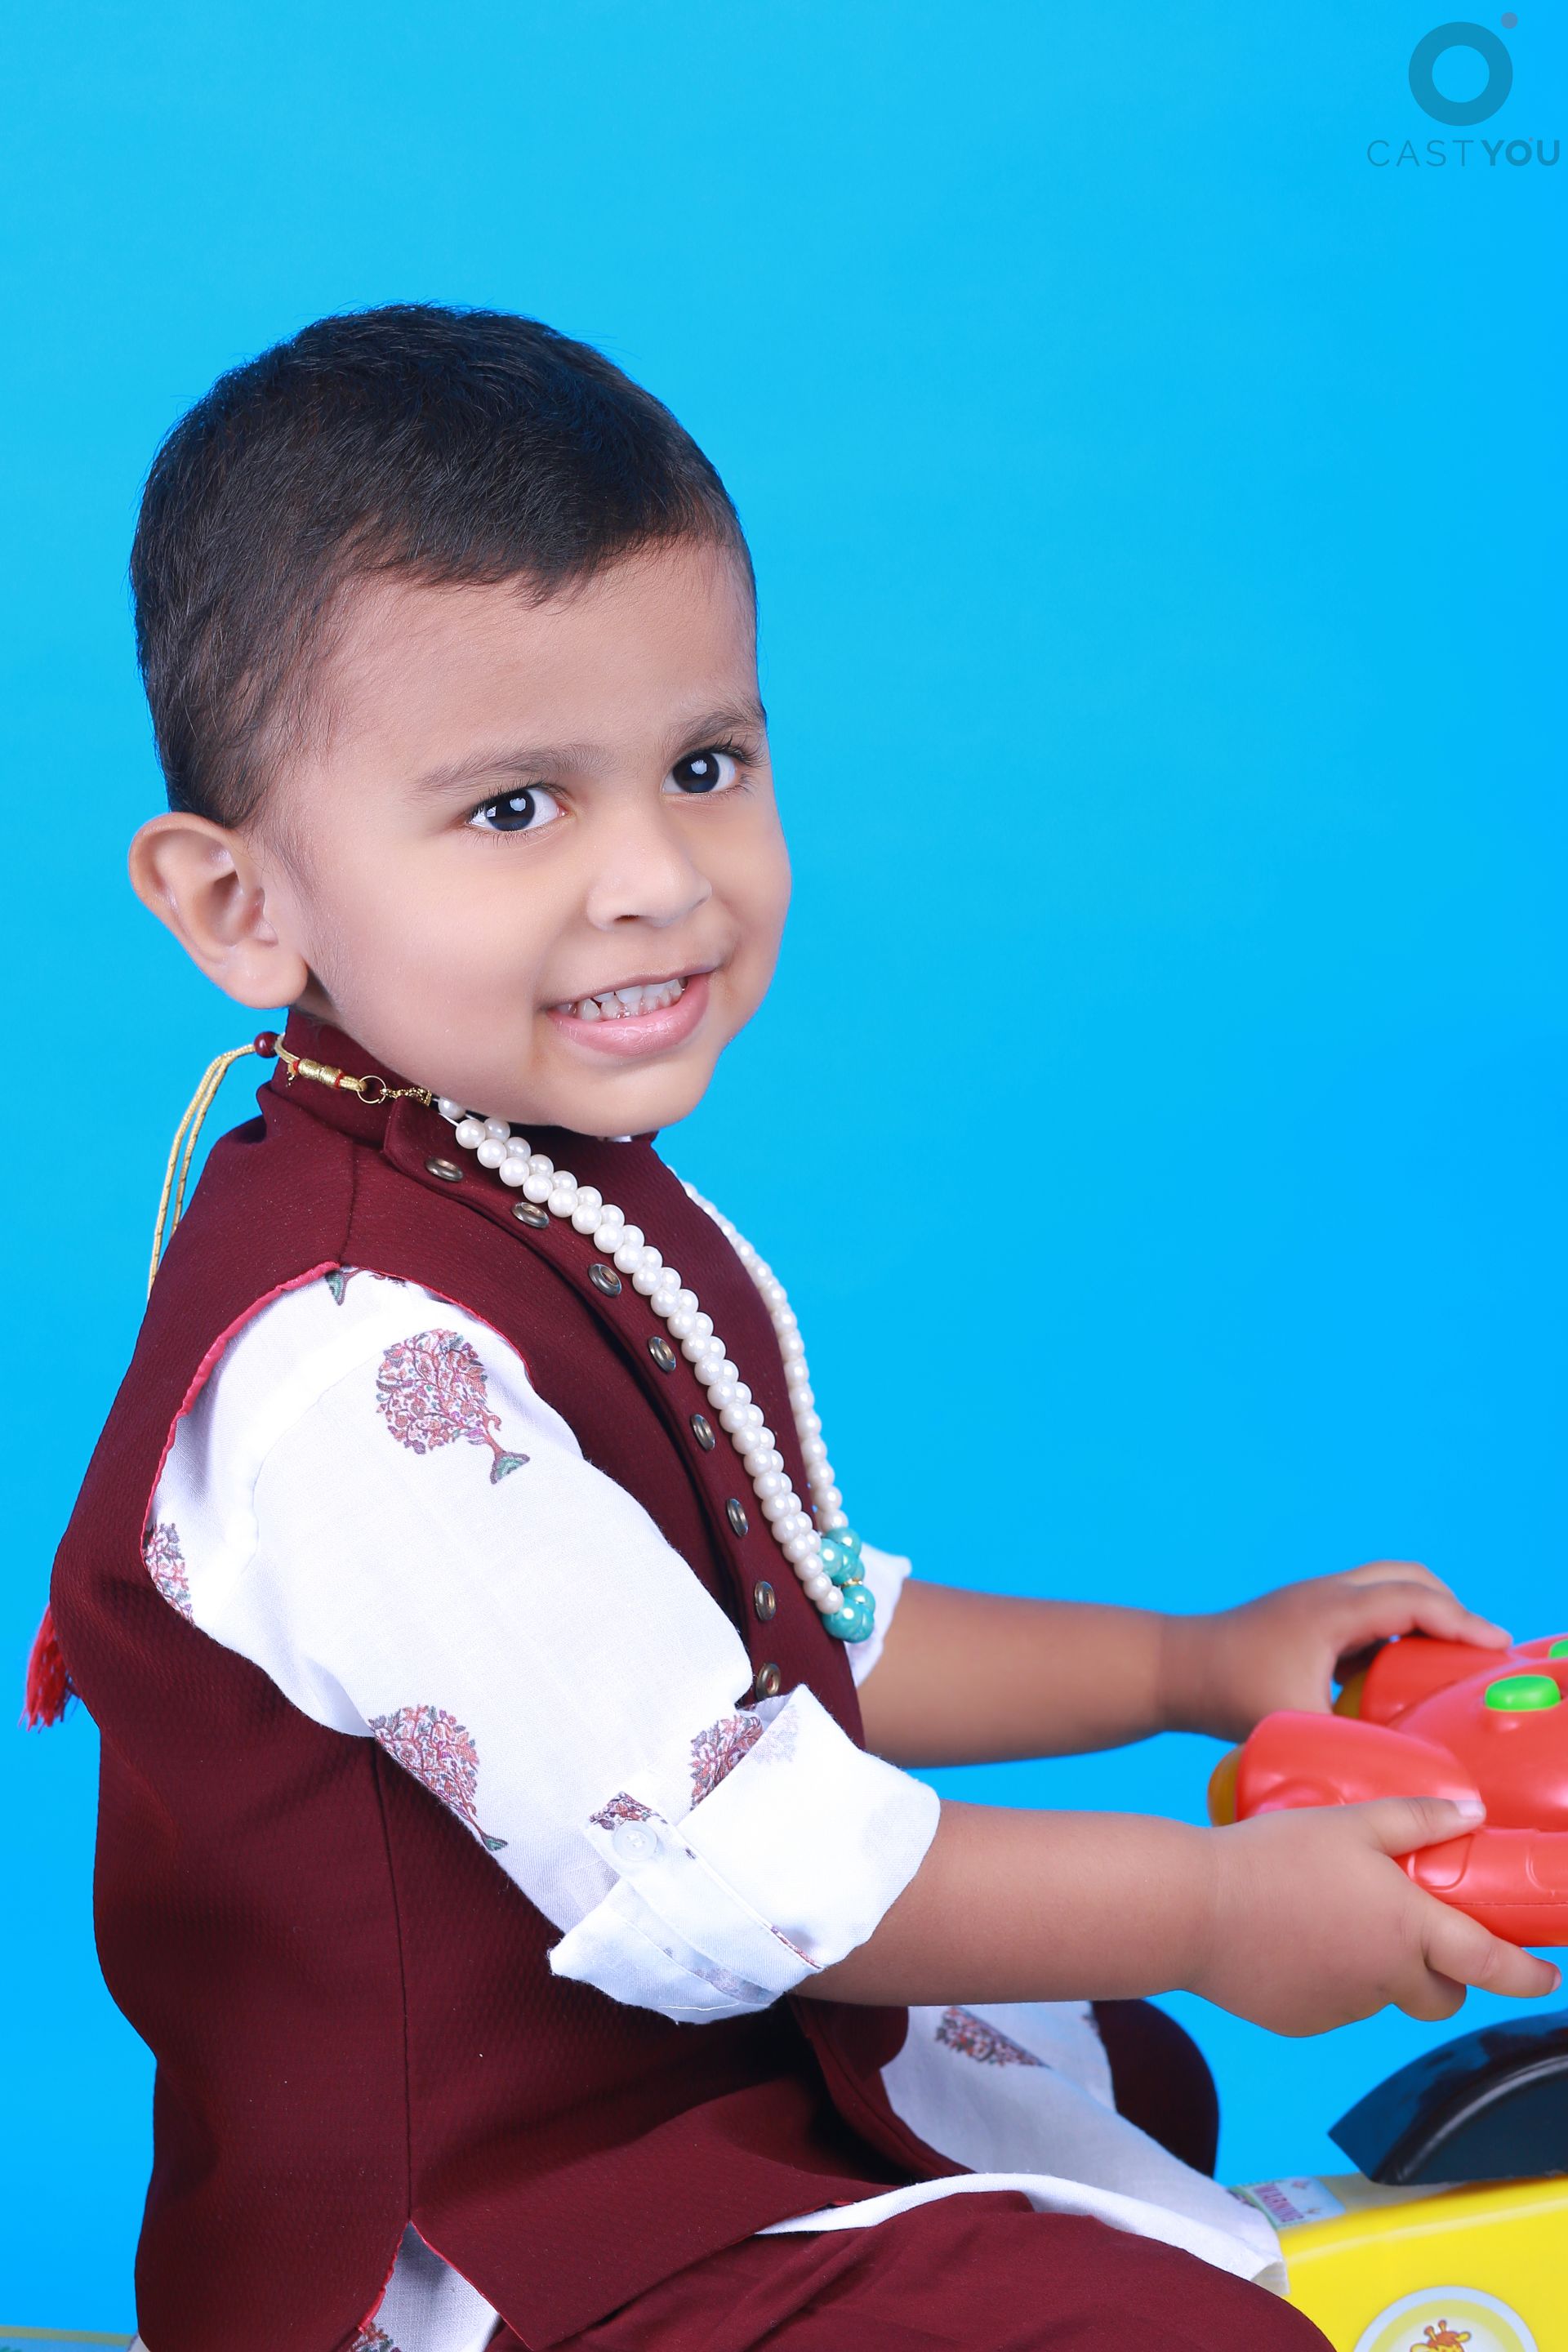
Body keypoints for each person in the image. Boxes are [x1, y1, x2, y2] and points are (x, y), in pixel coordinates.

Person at [38, 305, 1557, 2352]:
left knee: (1111, 2092)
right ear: (244, 909)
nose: (657, 879)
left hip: (706, 2116)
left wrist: (1191, 1669)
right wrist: (1212, 1909)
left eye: (704, 766)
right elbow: (746, 1845)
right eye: (515, 810)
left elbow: (788, 1642)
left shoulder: (540, 1191)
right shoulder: (346, 1363)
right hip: (505, 2254)